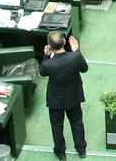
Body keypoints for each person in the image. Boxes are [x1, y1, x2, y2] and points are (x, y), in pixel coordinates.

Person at [38, 31, 88, 160]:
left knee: (57, 126)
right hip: (73, 97)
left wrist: (46, 56)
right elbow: (84, 68)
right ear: (64, 42)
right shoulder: (75, 57)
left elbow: (42, 72)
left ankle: (61, 153)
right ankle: (81, 149)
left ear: (49, 46)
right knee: (77, 122)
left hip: (56, 100)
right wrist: (76, 51)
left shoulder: (48, 63)